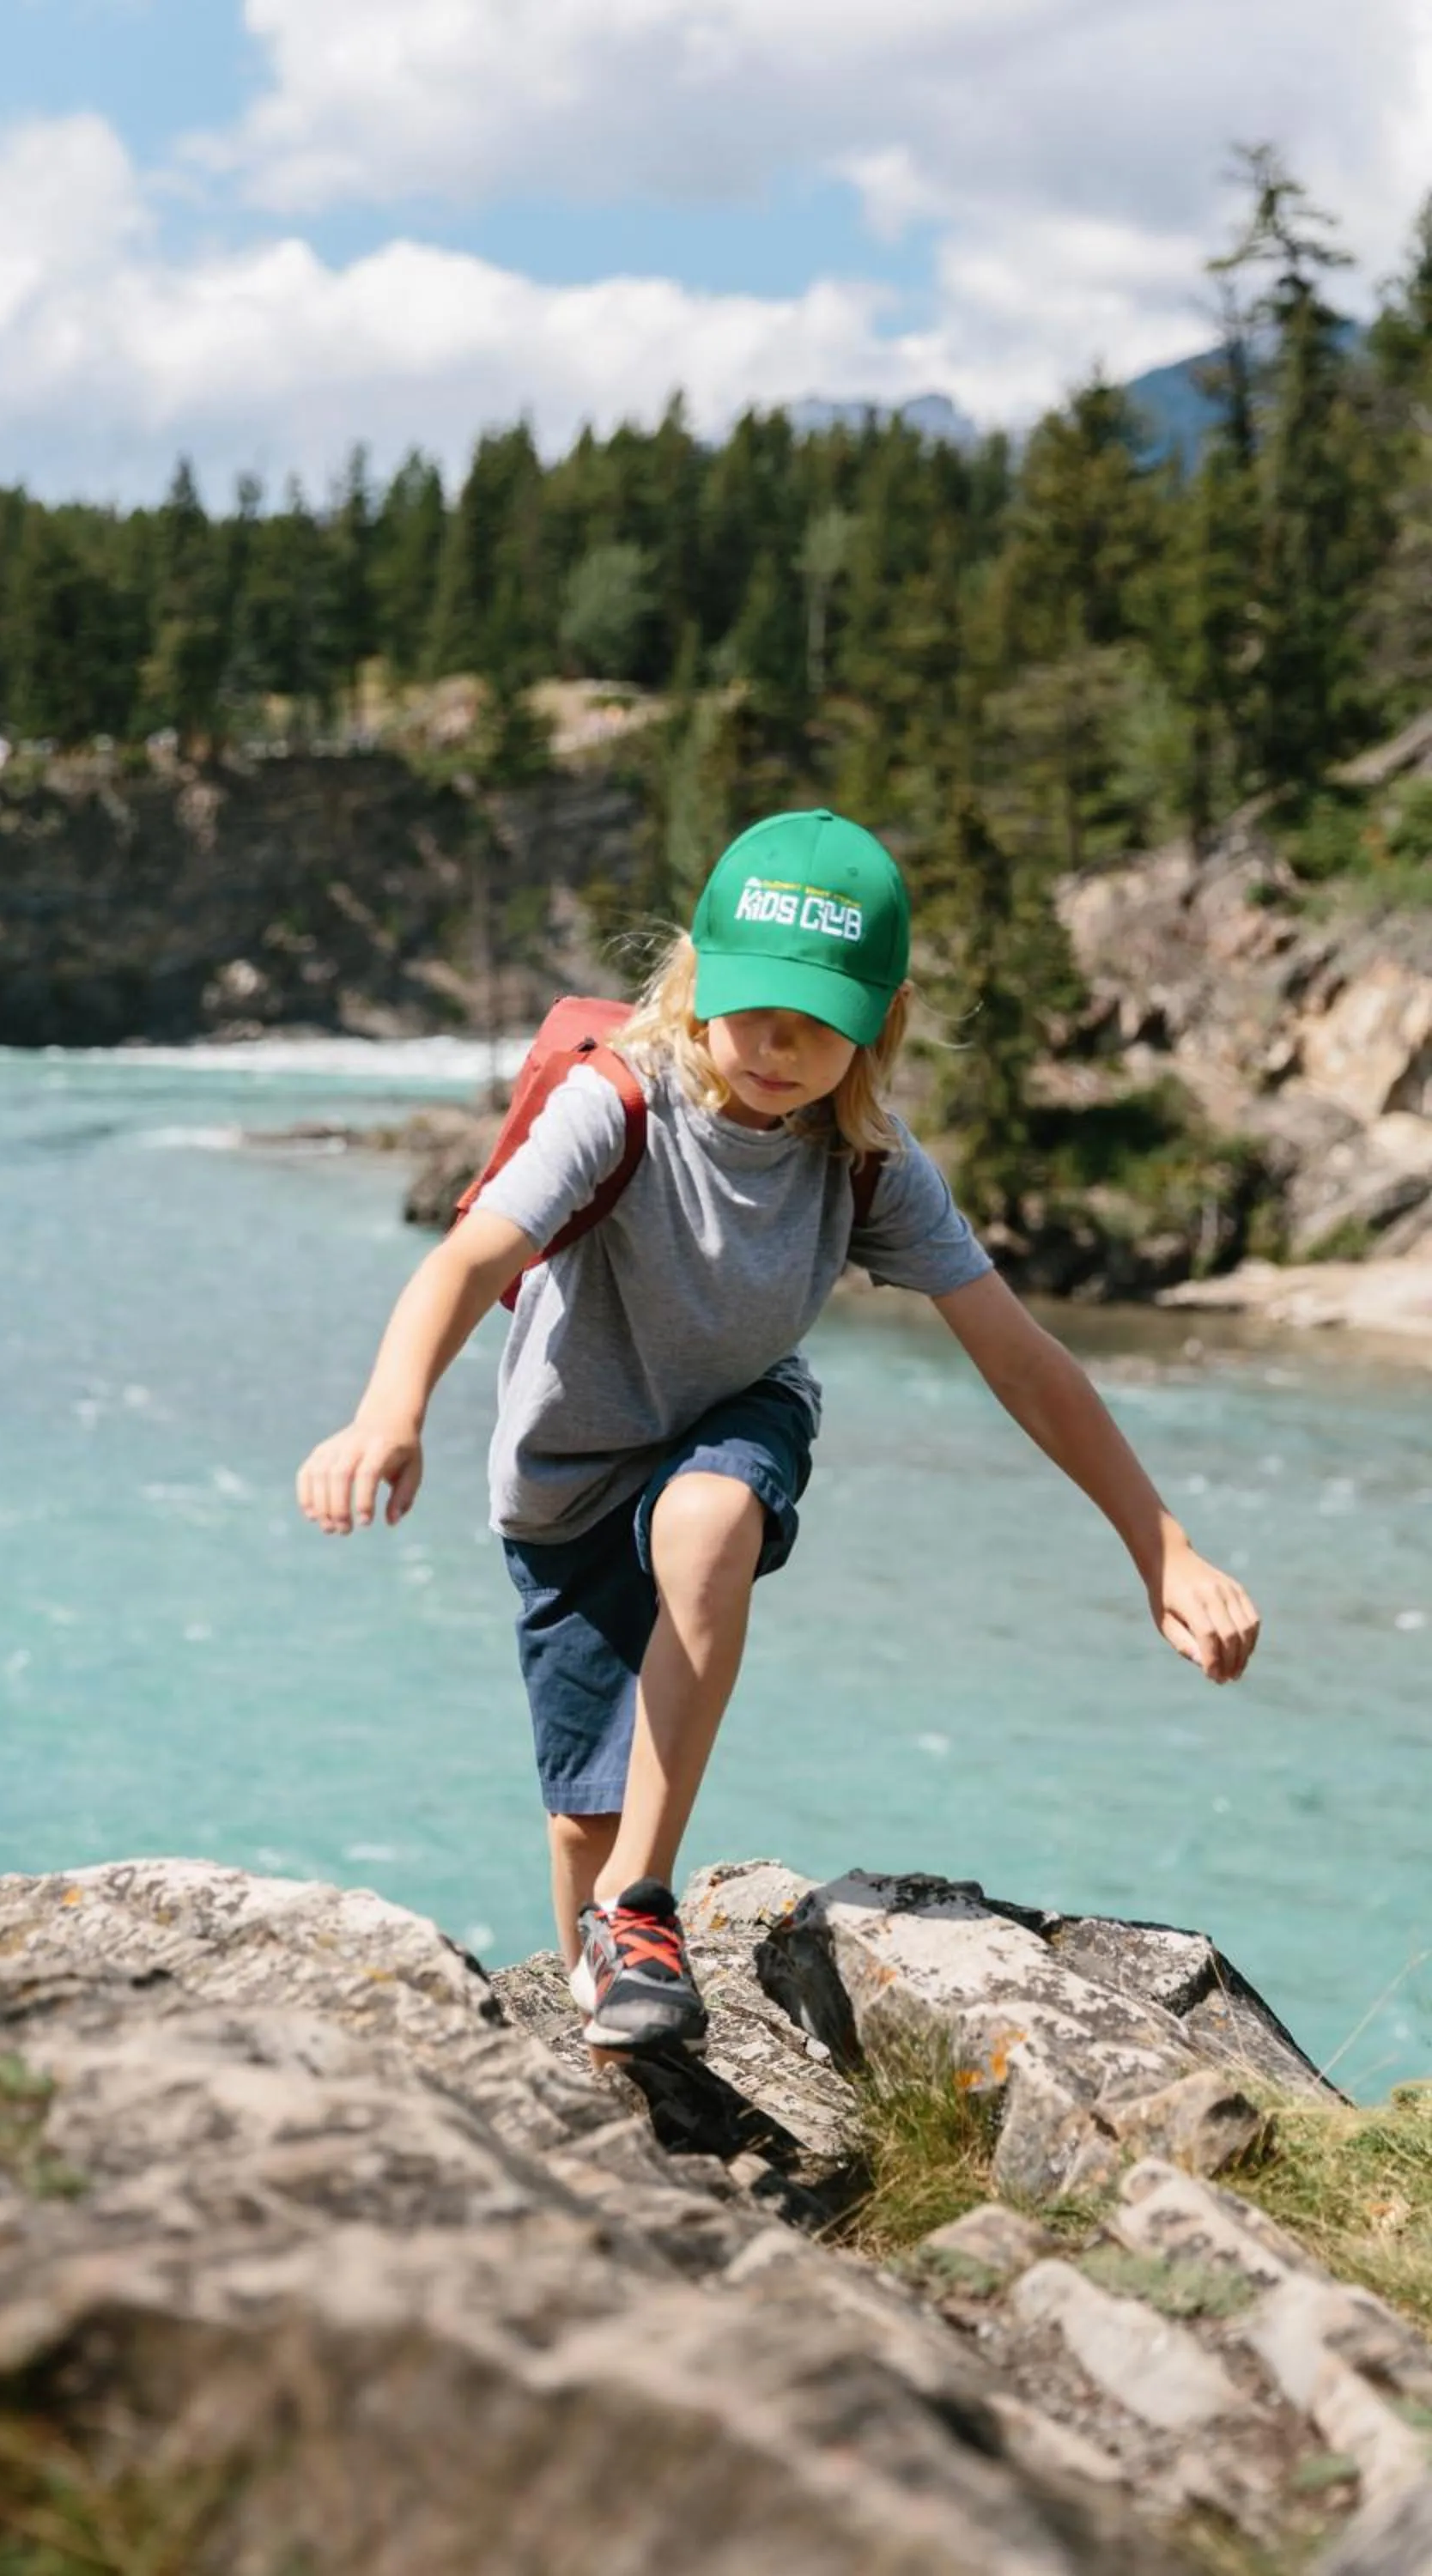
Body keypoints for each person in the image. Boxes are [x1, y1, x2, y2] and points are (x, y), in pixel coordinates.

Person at [296, 810, 1261, 2056]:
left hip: (732, 1421)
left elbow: (1026, 1362)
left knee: (709, 1525)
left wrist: (1163, 1547)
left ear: (882, 1018)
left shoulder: (865, 1162)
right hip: (566, 1473)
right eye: (755, 1006)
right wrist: (392, 1409)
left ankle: (642, 1908)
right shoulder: (618, 1103)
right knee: (583, 1819)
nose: (780, 1045)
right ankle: (611, 1985)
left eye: (819, 1019)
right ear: (698, 979)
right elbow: (471, 1252)